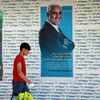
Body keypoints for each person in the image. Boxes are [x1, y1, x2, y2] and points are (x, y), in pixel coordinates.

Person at [39, 4, 75, 77]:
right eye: (55, 13)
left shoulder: (57, 29)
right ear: (48, 14)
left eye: (60, 13)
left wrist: (63, 45)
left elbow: (72, 45)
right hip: (52, 71)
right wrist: (64, 45)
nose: (58, 16)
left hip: (61, 70)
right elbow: (61, 51)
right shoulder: (45, 31)